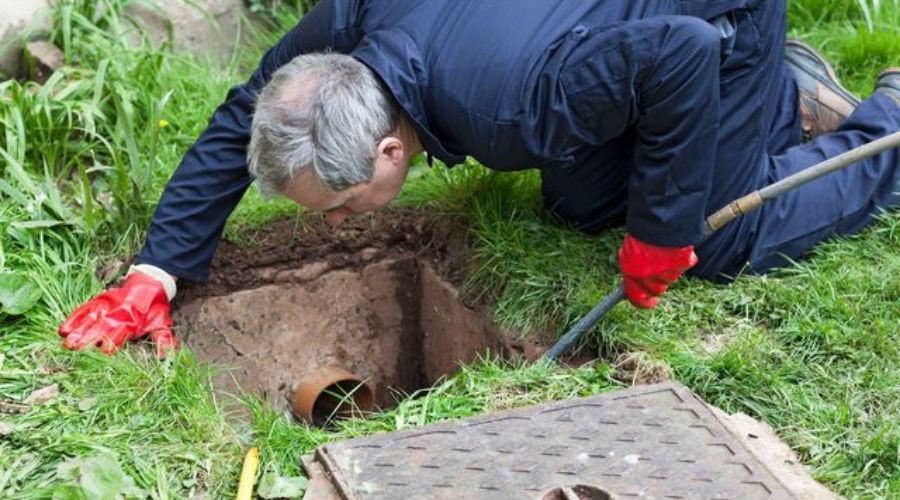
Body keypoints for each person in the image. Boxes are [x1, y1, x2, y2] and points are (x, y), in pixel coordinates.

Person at [58, 0, 900, 356]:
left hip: (712, 21)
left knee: (715, 241)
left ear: (391, 153)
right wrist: (155, 271)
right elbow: (249, 107)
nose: (338, 224)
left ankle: (882, 124)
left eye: (342, 206)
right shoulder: (352, 25)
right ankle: (778, 99)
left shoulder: (510, 113)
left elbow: (677, 54)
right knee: (579, 203)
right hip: (613, 28)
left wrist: (665, 232)